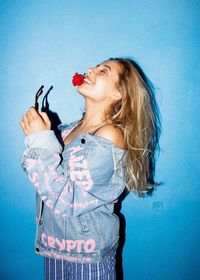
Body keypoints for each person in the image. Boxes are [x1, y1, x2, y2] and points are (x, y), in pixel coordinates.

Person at [20, 57, 161, 279]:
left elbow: (67, 200)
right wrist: (41, 136)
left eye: (103, 71)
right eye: (95, 67)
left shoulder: (110, 135)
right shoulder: (66, 131)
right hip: (55, 248)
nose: (90, 69)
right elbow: (42, 179)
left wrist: (40, 140)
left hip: (88, 257)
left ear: (117, 94)